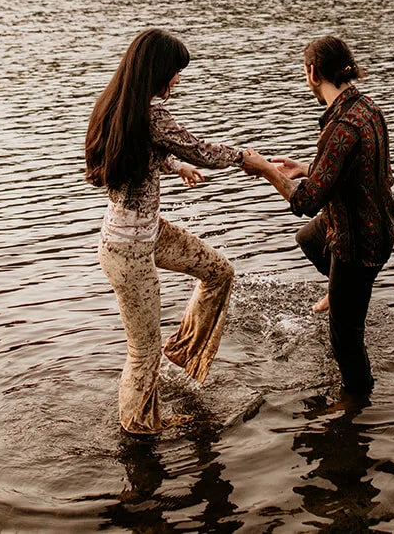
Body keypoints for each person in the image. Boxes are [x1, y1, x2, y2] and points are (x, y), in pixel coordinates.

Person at [85, 27, 276, 435]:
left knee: (219, 272)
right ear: (157, 71)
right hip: (127, 250)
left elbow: (143, 152)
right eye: (175, 71)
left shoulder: (120, 106)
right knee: (142, 351)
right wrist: (246, 158)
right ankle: (138, 430)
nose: (177, 79)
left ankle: (184, 350)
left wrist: (174, 166)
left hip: (145, 233)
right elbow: (200, 150)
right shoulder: (151, 115)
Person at [260, 36, 394, 400]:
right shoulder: (366, 108)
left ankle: (357, 407)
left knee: (345, 340)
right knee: (309, 238)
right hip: (378, 223)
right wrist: (306, 168)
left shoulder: (341, 127)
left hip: (358, 242)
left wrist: (266, 171)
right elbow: (356, 167)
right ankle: (342, 292)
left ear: (312, 73)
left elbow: (306, 201)